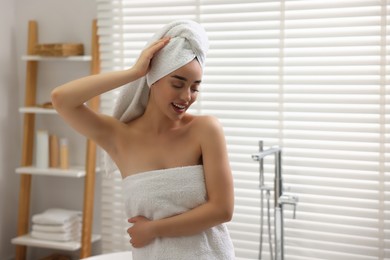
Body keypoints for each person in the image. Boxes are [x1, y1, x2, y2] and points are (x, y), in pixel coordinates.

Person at [51, 20, 235, 259]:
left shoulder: (205, 129)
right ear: (153, 78)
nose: (186, 96)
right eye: (177, 83)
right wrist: (134, 72)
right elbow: (61, 99)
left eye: (195, 87)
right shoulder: (120, 137)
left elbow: (222, 210)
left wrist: (153, 229)